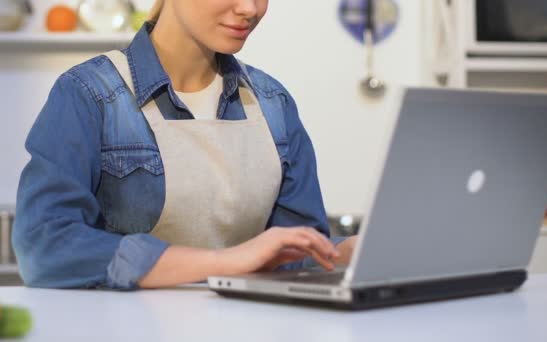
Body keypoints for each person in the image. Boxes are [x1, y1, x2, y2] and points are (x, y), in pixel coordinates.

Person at [12, 0, 357, 290]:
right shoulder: (89, 94)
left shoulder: (273, 103)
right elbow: (44, 247)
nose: (250, 8)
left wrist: (347, 252)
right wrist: (223, 262)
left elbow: (288, 256)